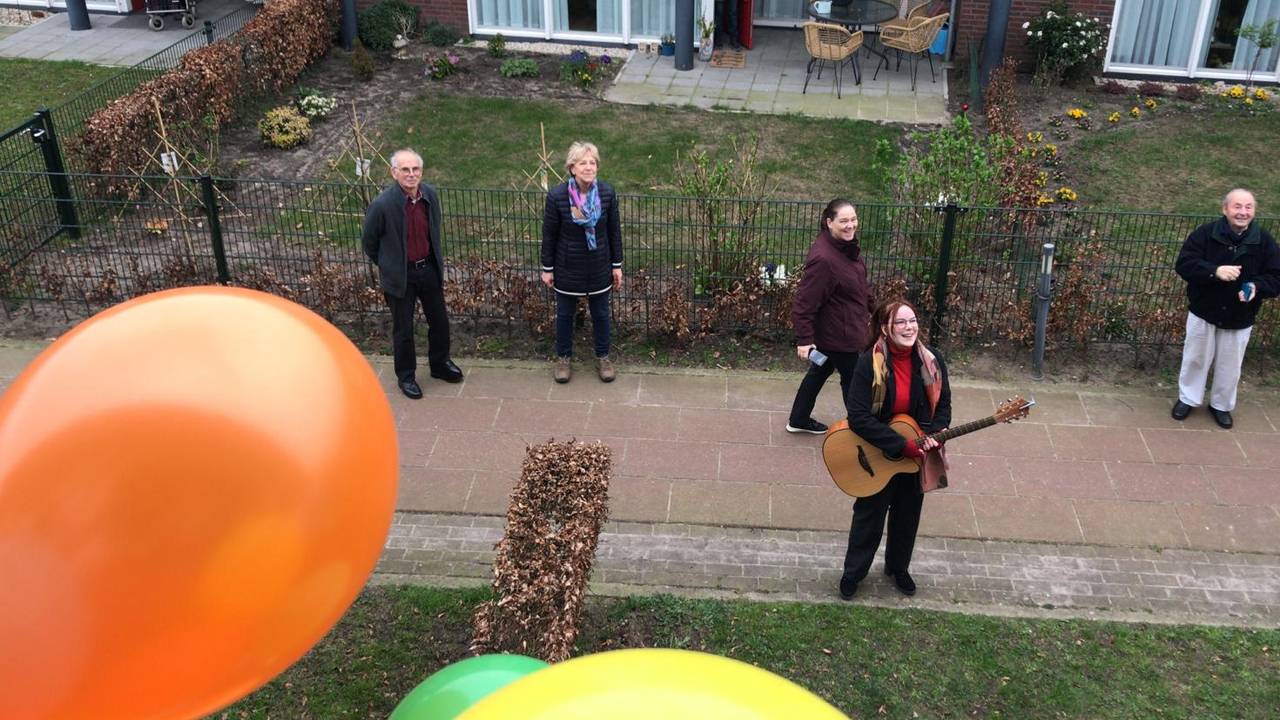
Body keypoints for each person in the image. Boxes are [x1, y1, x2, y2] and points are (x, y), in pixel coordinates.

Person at [839, 299, 951, 600]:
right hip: (877, 454)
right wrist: (900, 445)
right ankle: (854, 573)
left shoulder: (932, 360)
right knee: (869, 516)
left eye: (912, 320)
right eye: (900, 322)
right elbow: (859, 417)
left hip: (916, 453)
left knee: (908, 514)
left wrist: (934, 437)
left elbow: (943, 408)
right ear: (886, 329)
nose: (908, 327)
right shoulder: (868, 362)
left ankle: (898, 568)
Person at [1172, 188, 1280, 429]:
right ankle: (1187, 398)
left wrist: (1256, 286)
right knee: (1195, 358)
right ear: (1225, 209)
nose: (1243, 212)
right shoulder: (1205, 234)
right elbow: (1184, 264)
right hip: (1204, 310)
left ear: (1254, 211)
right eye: (1237, 206)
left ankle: (1221, 405)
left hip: (1240, 315)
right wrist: (1214, 271)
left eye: (1248, 207)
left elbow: (1276, 277)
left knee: (1230, 364)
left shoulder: (1264, 241)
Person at [362, 148, 464, 399]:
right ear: (394, 172)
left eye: (415, 169)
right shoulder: (383, 204)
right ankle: (406, 376)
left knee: (439, 322)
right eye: (405, 170)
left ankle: (440, 365)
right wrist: (389, 264)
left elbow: (434, 230)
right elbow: (369, 242)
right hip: (401, 276)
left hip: (428, 269)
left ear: (421, 171)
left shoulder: (430, 195)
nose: (411, 174)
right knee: (403, 329)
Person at [786, 198, 875, 434]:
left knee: (820, 371)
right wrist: (804, 339)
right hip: (840, 336)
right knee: (855, 380)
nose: (850, 225)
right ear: (829, 222)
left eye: (853, 219)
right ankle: (862, 428)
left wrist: (879, 311)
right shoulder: (825, 259)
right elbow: (804, 302)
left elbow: (860, 285)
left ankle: (798, 419)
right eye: (843, 221)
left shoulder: (845, 248)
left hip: (838, 331)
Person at [541, 141, 623, 384]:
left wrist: (616, 265)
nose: (589, 167)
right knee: (565, 314)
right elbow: (549, 234)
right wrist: (547, 268)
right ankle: (564, 359)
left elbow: (614, 231)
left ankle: (603, 357)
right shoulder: (557, 196)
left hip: (599, 264)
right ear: (572, 168)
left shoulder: (607, 193)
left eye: (592, 162)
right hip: (568, 265)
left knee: (600, 314)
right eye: (582, 163)